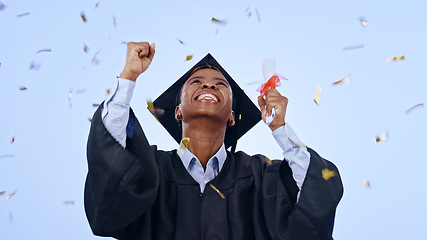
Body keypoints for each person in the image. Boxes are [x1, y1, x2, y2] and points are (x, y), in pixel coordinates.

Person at [84, 42, 343, 240]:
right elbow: (109, 177)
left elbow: (314, 200)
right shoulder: (151, 172)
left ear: (232, 116)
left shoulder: (260, 176)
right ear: (178, 111)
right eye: (197, 82)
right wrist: (128, 77)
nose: (208, 87)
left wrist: (280, 128)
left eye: (220, 84)